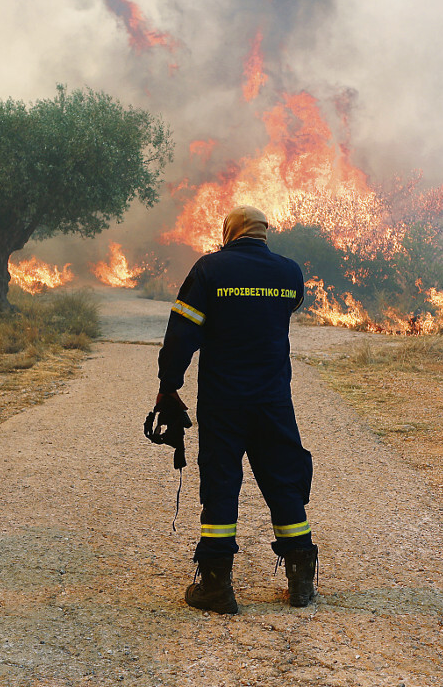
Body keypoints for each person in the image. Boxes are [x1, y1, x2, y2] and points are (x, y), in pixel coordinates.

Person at [155, 205, 318, 614]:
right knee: (283, 480)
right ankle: (301, 583)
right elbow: (286, 310)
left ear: (228, 232)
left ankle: (216, 586)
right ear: (265, 233)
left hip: (223, 401)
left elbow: (182, 333)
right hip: (274, 400)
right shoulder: (289, 272)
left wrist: (168, 386)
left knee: (222, 482)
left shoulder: (210, 270)